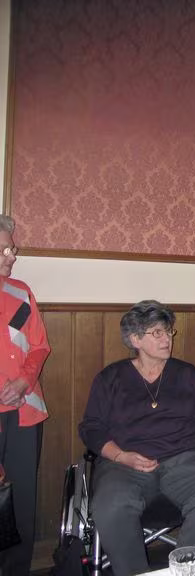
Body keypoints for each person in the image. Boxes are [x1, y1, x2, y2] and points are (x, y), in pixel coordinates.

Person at [79, 301, 195, 576]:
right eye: (157, 333)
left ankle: (186, 569)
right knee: (109, 504)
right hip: (124, 464)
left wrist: (187, 446)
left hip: (184, 460)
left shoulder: (187, 374)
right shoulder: (110, 378)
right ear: (135, 339)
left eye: (168, 332)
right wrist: (120, 455)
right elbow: (91, 428)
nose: (166, 339)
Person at [0, 215, 50, 576]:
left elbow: (39, 346)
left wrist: (23, 383)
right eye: (5, 250)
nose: (12, 256)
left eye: (12, 248)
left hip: (23, 410)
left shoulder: (20, 292)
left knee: (20, 498)